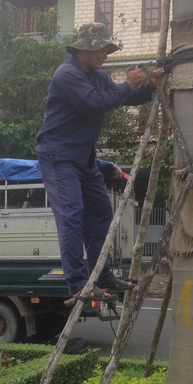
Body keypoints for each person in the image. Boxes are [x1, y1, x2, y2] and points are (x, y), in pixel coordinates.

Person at [36, 22, 164, 303]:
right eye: (104, 49)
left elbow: (124, 97)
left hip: (84, 158)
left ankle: (102, 274)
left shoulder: (97, 76)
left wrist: (148, 87)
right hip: (58, 155)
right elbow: (94, 104)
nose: (107, 53)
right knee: (71, 216)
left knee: (102, 213)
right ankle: (78, 284)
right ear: (88, 48)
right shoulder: (67, 74)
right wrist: (129, 83)